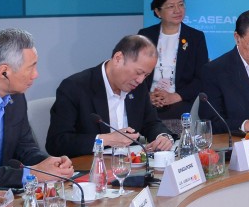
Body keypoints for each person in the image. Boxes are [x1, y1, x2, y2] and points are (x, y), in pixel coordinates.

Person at [0, 28, 74, 190]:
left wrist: (50, 164)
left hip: (5, 193)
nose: (36, 74)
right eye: (31, 67)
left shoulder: (16, 96)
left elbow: (25, 148)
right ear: (4, 72)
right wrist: (32, 174)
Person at [46, 35, 175, 157]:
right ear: (118, 58)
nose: (140, 80)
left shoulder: (138, 87)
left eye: (146, 75)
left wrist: (163, 137)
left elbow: (151, 122)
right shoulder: (75, 87)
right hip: (90, 166)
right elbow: (57, 143)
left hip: (130, 164)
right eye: (138, 72)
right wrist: (105, 140)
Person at [138, 0, 209, 119]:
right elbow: (135, 71)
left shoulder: (196, 37)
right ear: (158, 12)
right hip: (149, 99)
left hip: (181, 101)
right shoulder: (145, 35)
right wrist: (147, 96)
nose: (177, 10)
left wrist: (175, 96)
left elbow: (201, 78)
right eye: (171, 6)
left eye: (181, 5)